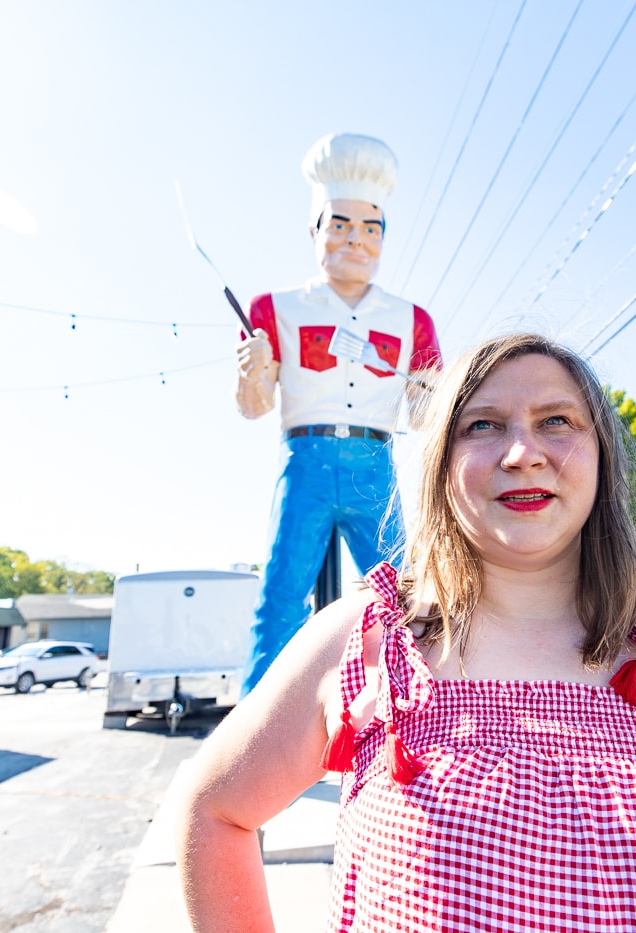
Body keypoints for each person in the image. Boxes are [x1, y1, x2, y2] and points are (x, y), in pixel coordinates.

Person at [181, 333, 636, 932]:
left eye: (556, 420)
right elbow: (212, 812)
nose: (523, 454)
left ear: (601, 455)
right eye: (484, 425)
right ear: (444, 465)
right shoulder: (368, 642)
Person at [235, 132, 442, 696]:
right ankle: (254, 736)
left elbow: (427, 416)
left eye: (371, 228)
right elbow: (254, 408)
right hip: (304, 458)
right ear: (315, 229)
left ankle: (425, 715)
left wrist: (404, 375)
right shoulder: (273, 309)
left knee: (407, 598)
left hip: (375, 461)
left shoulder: (412, 320)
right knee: (280, 597)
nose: (356, 240)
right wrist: (252, 370)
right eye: (341, 225)